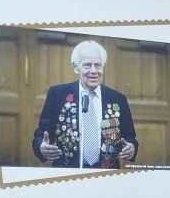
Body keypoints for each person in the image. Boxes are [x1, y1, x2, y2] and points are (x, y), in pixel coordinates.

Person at [32, 40, 139, 168]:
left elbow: (129, 137)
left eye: (98, 65)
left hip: (106, 172)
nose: (94, 71)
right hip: (68, 170)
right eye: (87, 65)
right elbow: (41, 134)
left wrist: (131, 147)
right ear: (75, 67)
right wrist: (41, 147)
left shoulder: (118, 99)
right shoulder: (58, 94)